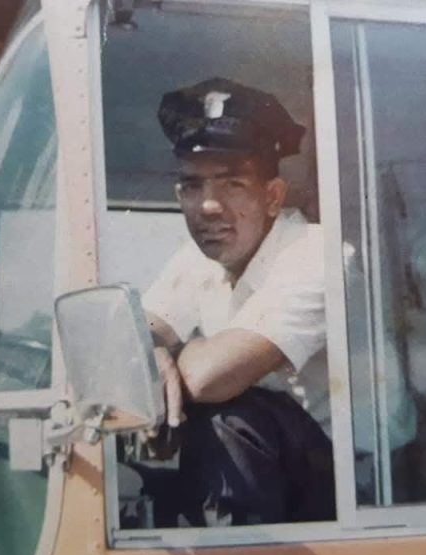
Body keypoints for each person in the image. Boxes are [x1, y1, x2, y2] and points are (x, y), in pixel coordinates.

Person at [140, 77, 335, 527]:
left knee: (229, 416)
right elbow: (142, 330)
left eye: (232, 184)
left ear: (271, 198)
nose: (208, 206)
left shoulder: (316, 254)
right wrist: (151, 349)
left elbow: (207, 378)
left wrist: (162, 358)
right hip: (275, 472)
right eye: (192, 186)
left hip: (355, 491)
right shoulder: (200, 257)